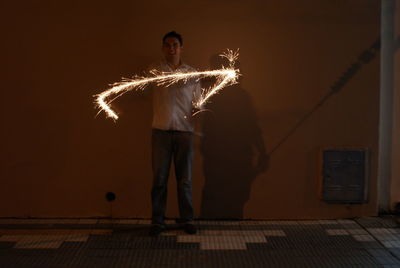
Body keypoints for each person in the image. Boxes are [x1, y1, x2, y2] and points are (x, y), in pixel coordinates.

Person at [148, 31, 201, 236]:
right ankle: (157, 220)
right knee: (159, 179)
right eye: (168, 45)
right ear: (163, 48)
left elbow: (198, 104)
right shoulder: (155, 70)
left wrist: (197, 124)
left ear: (181, 47)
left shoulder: (192, 73)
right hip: (160, 131)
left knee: (185, 180)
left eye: (175, 45)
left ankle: (187, 219)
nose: (172, 48)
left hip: (184, 132)